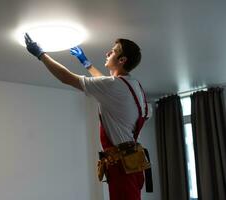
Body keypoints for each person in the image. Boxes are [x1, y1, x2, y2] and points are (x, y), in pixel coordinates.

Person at [24, 33, 152, 200]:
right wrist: (86, 63)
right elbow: (106, 86)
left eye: (113, 51)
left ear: (122, 60)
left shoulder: (114, 85)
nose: (107, 53)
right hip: (132, 164)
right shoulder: (133, 85)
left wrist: (41, 54)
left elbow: (67, 78)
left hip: (122, 167)